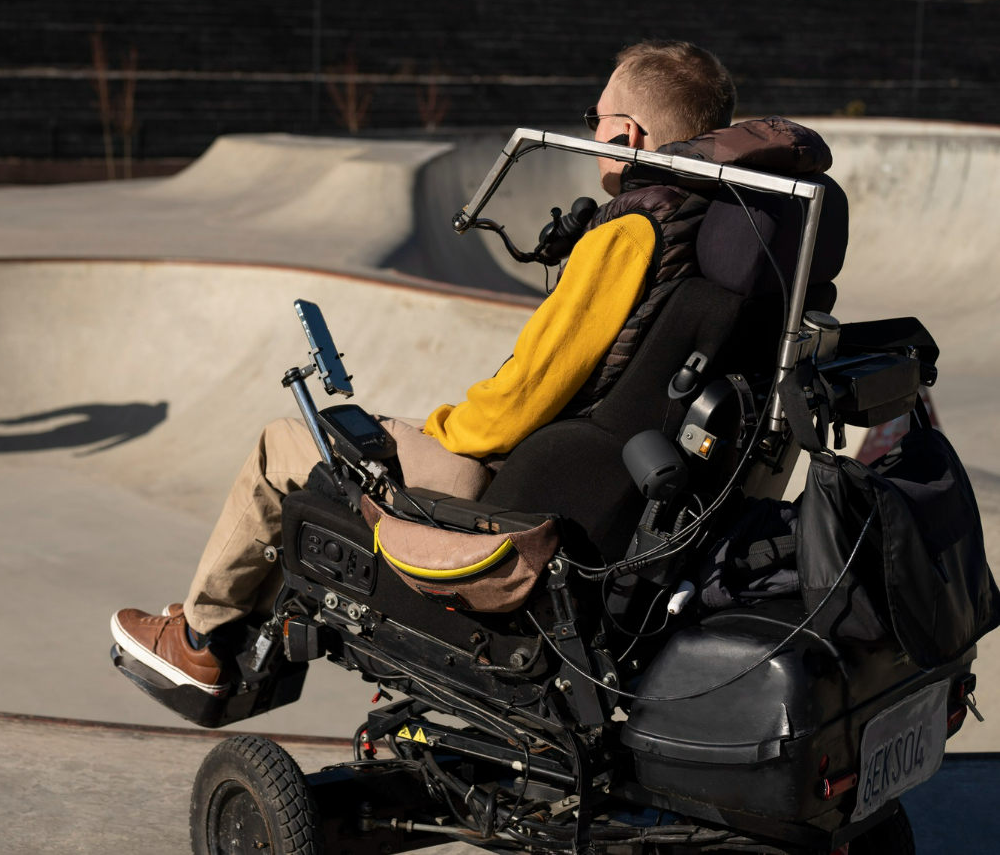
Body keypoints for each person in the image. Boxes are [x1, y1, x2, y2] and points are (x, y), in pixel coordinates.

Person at [110, 39, 850, 698]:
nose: (591, 132)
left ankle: (202, 642)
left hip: (516, 493)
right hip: (618, 508)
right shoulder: (726, 256)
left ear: (627, 135)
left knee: (285, 443)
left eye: (595, 117)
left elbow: (516, 402)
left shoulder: (631, 231)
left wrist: (431, 429)